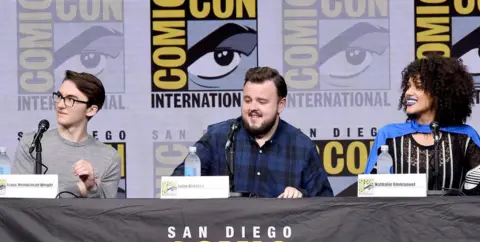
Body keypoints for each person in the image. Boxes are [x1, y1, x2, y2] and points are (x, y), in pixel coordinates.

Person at [171, 67, 333, 198]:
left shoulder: (301, 146)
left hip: (280, 237)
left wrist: (301, 196)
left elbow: (325, 205)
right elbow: (174, 186)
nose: (252, 108)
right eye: (247, 100)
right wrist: (217, 190)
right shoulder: (219, 137)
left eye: (261, 102)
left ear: (280, 105)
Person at [364, 55, 480, 195]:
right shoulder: (389, 134)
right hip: (400, 216)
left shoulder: (465, 136)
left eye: (418, 86)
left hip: (452, 217)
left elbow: (475, 194)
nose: (408, 93)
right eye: (407, 87)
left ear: (440, 92)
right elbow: (368, 190)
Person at [12, 70, 121, 198]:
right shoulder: (32, 143)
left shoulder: (109, 158)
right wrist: (78, 189)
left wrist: (91, 187)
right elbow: (18, 203)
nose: (61, 105)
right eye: (59, 96)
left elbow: (107, 213)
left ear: (91, 110)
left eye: (71, 99)